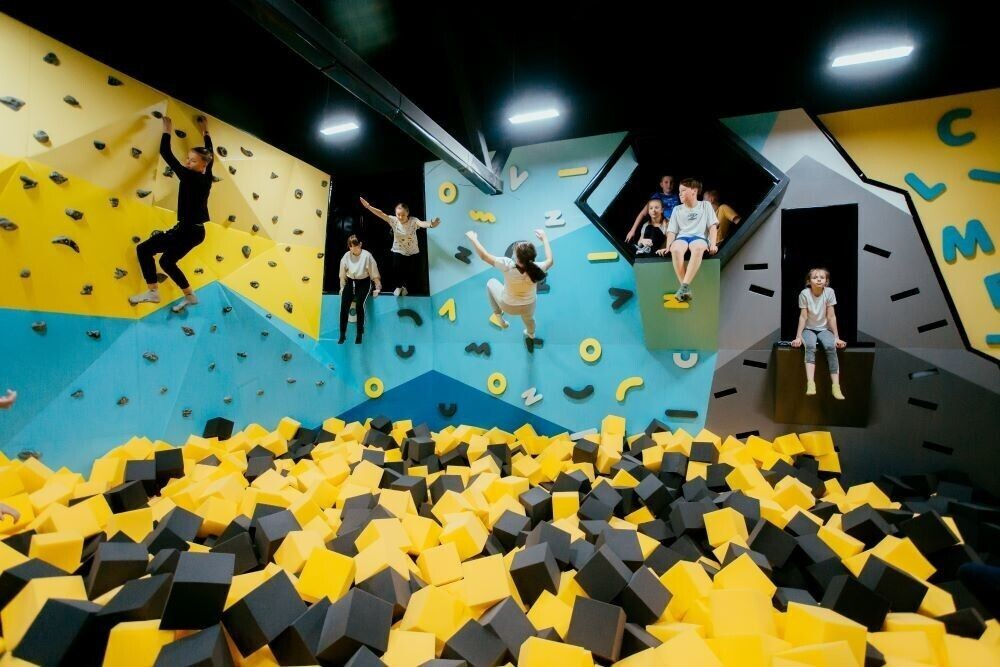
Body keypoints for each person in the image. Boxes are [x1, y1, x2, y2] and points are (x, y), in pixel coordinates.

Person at [129, 115, 214, 313]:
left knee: (143, 249)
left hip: (186, 231)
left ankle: (153, 292)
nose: (187, 162)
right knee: (167, 262)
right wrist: (206, 132)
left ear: (202, 165)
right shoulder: (207, 176)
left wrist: (167, 130)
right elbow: (211, 155)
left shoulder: (189, 176)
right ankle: (190, 296)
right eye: (188, 159)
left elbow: (165, 153)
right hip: (197, 232)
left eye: (192, 161)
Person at [465, 229, 553, 342]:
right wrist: (544, 238)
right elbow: (550, 260)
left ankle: (498, 316)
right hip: (529, 305)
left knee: (491, 282)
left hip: (508, 306)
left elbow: (484, 256)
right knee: (530, 320)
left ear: (517, 258)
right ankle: (531, 334)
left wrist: (473, 239)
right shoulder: (538, 267)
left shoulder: (507, 264)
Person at [359, 198, 440, 296]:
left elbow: (422, 224)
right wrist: (368, 206)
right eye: (398, 214)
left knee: (410, 272)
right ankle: (398, 287)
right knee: (397, 270)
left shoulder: (413, 221)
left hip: (412, 251)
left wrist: (431, 224)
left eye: (403, 215)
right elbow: (381, 214)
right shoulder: (394, 220)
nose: (400, 217)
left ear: (407, 213)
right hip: (398, 250)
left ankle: (405, 288)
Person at [655, 178, 718, 301]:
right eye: (679, 191)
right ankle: (685, 288)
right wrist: (668, 247)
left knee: (698, 247)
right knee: (675, 249)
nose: (680, 193)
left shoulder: (705, 205)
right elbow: (672, 231)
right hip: (682, 238)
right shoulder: (677, 209)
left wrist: (713, 244)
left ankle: (683, 287)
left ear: (694, 191)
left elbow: (712, 227)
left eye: (683, 190)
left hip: (699, 237)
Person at [791, 268, 847, 399]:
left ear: (826, 281)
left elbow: (831, 316)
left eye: (822, 277)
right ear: (809, 281)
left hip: (824, 329)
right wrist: (798, 337)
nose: (819, 279)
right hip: (809, 329)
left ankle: (836, 386)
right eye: (815, 277)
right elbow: (803, 317)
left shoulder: (829, 292)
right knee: (810, 346)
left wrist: (836, 337)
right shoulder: (804, 294)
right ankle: (811, 383)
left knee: (830, 346)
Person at [338, 235, 381, 344]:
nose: (354, 248)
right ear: (349, 247)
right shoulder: (346, 256)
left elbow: (374, 273)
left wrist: (378, 287)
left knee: (359, 305)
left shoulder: (367, 256)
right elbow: (342, 274)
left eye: (356, 246)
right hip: (350, 282)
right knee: (344, 306)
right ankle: (342, 333)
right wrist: (342, 287)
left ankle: (359, 333)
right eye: (351, 246)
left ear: (360, 244)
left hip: (364, 282)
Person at [626, 175, 680, 244]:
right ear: (661, 184)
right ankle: (641, 243)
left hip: (673, 225)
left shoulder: (678, 196)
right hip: (660, 223)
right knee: (648, 229)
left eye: (671, 182)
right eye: (666, 182)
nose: (669, 185)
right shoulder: (657, 196)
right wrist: (632, 230)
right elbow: (642, 213)